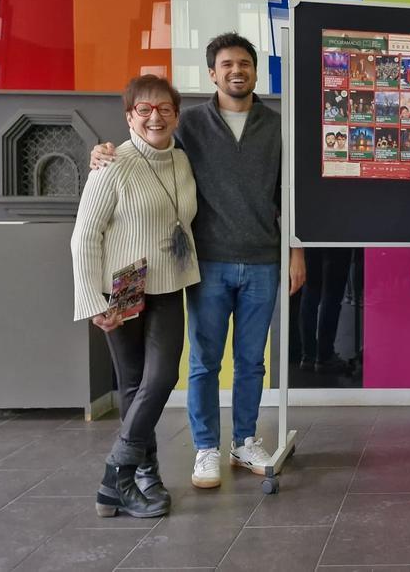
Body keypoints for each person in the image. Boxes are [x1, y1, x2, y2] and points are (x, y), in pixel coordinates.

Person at [90, 32, 306, 491]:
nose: (236, 70)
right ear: (213, 73)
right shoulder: (186, 124)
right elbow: (144, 152)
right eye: (227, 64)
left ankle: (244, 441)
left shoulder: (277, 126)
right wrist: (103, 150)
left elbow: (290, 196)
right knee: (203, 362)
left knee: (251, 362)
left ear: (254, 70)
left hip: (264, 261)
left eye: (244, 63)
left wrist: (295, 252)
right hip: (200, 265)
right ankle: (203, 447)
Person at [73, 75, 198, 518]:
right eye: (143, 109)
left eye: (164, 108)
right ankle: (144, 474)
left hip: (169, 281)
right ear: (129, 117)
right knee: (132, 383)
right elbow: (84, 236)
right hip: (125, 284)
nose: (154, 117)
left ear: (176, 116)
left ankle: (116, 473)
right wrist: (93, 301)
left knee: (160, 378)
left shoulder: (182, 162)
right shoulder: (112, 164)